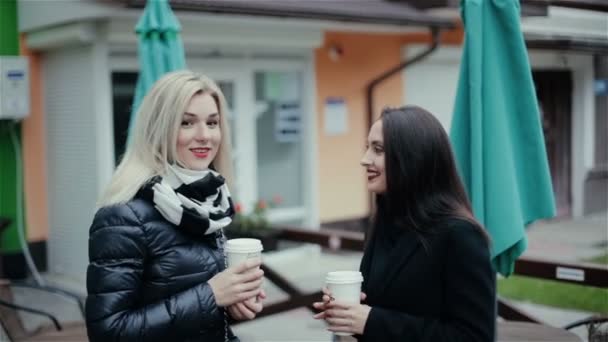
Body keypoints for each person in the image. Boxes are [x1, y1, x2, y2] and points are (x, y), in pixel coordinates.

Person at [86, 71, 265, 342]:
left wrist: (230, 305)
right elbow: (108, 332)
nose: (205, 136)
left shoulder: (208, 207)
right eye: (187, 123)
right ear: (160, 128)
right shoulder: (122, 217)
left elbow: (197, 314)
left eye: (213, 122)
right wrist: (211, 294)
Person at [313, 106, 496, 341]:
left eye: (377, 150)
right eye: (367, 148)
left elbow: (475, 336)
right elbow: (378, 309)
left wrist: (371, 321)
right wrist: (348, 309)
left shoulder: (461, 235)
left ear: (412, 157)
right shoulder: (384, 222)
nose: (364, 159)